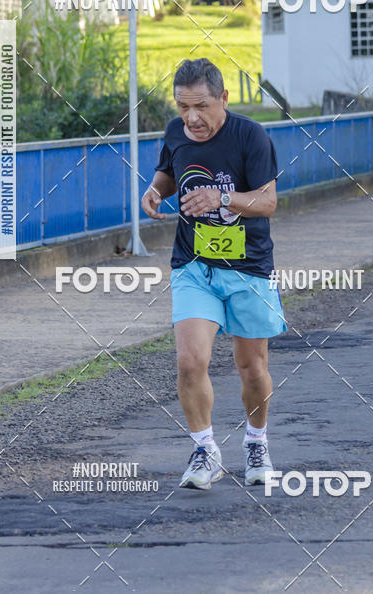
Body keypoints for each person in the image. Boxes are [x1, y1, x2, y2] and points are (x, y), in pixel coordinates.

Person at [141, 58, 286, 490]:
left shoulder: (251, 137)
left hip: (248, 267)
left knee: (252, 367)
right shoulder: (175, 131)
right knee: (190, 361)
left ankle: (256, 441)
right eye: (183, 106)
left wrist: (220, 198)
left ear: (223, 98)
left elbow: (268, 203)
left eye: (201, 106)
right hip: (193, 265)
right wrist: (154, 189)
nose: (192, 118)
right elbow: (170, 171)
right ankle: (205, 450)